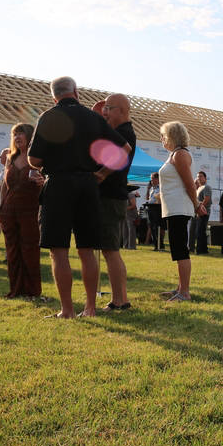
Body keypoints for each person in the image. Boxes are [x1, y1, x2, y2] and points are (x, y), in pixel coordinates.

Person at [27, 76, 131, 318]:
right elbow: (124, 149)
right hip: (88, 185)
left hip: (58, 184)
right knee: (87, 249)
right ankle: (90, 308)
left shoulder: (48, 116)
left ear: (54, 96)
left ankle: (67, 310)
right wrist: (102, 173)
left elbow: (34, 160)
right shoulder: (94, 117)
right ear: (75, 91)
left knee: (58, 250)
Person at [96, 93, 137, 311]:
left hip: (111, 197)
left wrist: (101, 174)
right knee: (109, 250)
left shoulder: (123, 133)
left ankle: (119, 300)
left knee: (111, 251)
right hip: (112, 197)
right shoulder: (121, 131)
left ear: (121, 110)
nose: (105, 113)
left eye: (108, 109)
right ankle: (120, 299)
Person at [158, 121, 207, 301]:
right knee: (177, 249)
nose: (162, 139)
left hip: (179, 208)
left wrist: (196, 204)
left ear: (172, 136)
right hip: (174, 208)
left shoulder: (180, 154)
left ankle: (184, 292)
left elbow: (189, 184)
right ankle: (180, 288)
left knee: (180, 250)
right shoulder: (175, 154)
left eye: (163, 136)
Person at [0, 123, 43, 299]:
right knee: (12, 250)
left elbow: (45, 182)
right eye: (14, 134)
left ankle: (32, 290)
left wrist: (42, 182)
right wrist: (1, 206)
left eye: (20, 133)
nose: (17, 137)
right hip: (8, 211)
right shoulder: (10, 158)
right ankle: (16, 289)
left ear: (30, 136)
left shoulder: (38, 159)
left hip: (30, 210)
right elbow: (5, 185)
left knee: (29, 250)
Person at [190, 171, 212, 254]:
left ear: (205, 178)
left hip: (203, 213)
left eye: (201, 176)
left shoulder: (207, 187)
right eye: (198, 176)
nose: (199, 178)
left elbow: (206, 199)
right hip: (197, 212)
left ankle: (201, 250)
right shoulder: (199, 188)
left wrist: (200, 209)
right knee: (199, 231)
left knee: (200, 231)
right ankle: (202, 249)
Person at [145, 173, 162, 250]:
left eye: (152, 179)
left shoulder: (161, 188)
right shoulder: (152, 188)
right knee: (151, 227)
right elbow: (147, 198)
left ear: (157, 179)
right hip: (150, 208)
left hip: (157, 209)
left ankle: (160, 244)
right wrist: (148, 189)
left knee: (157, 227)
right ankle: (155, 245)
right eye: (151, 179)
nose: (151, 181)